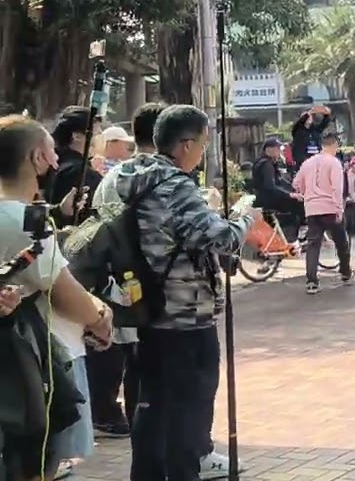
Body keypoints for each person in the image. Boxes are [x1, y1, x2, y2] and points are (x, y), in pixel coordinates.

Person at [105, 105, 257, 481]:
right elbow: (218, 238)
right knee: (188, 417)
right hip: (186, 318)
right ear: (185, 145)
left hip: (146, 313)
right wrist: (242, 219)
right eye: (203, 145)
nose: (203, 153)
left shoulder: (126, 178)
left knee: (150, 409)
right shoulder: (174, 184)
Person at [0, 114, 114, 481]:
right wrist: (100, 317)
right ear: (36, 159)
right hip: (42, 361)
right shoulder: (23, 222)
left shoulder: (19, 215)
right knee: (43, 464)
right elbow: (64, 293)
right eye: (51, 152)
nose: (56, 161)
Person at [86, 103, 164, 442]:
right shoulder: (160, 176)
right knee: (142, 361)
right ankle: (142, 426)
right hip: (144, 285)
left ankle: (136, 424)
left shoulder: (113, 177)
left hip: (114, 281)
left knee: (130, 355)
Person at [293, 133, 355, 295]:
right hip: (330, 207)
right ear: (334, 145)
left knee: (313, 244)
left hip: (312, 208)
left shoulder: (307, 163)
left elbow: (296, 183)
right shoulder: (334, 163)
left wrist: (306, 193)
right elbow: (337, 187)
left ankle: (312, 281)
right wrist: (339, 208)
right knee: (341, 242)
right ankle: (345, 273)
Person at [44, 105, 103, 228]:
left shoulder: (46, 164)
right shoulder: (83, 173)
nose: (99, 140)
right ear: (77, 136)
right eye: (96, 134)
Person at [250, 139, 304, 240]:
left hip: (267, 198)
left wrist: (293, 188)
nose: (280, 152)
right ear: (269, 150)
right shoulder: (266, 165)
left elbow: (280, 181)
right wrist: (290, 195)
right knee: (299, 203)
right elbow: (270, 186)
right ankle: (300, 232)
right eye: (278, 149)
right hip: (268, 201)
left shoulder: (268, 163)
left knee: (297, 199)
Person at [288, 105, 331, 172]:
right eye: (306, 117)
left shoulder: (315, 130)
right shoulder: (298, 131)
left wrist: (327, 114)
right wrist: (309, 113)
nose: (308, 118)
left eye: (310, 117)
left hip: (316, 161)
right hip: (303, 162)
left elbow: (325, 123)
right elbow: (299, 123)